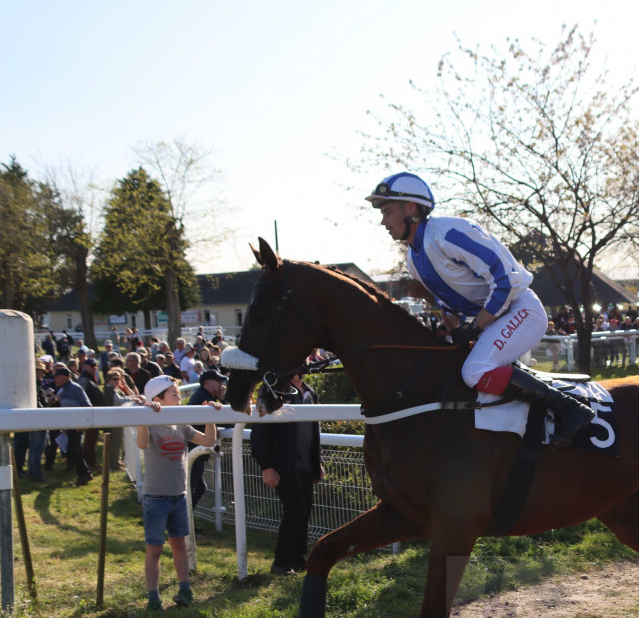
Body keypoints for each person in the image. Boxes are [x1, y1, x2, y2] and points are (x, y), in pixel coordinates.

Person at [368, 171, 594, 447]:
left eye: (387, 211)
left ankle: (569, 407)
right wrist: (453, 329)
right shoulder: (413, 260)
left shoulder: (449, 233)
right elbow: (447, 303)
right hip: (496, 319)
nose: (383, 221)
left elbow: (505, 280)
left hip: (521, 309)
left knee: (474, 372)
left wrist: (476, 326)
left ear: (411, 209)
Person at [136, 375, 221, 612]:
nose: (180, 398)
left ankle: (185, 589)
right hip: (156, 497)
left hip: (179, 495)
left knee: (179, 545)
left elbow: (208, 440)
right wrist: (144, 415)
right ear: (158, 399)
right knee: (154, 549)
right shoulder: (151, 423)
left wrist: (210, 417)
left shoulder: (182, 424)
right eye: (174, 395)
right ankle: (153, 597)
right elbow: (142, 443)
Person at [250, 372, 324, 575]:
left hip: (305, 465)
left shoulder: (310, 393)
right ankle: (281, 563)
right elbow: (259, 431)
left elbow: (314, 430)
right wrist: (266, 467)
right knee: (295, 510)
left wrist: (317, 463)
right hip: (283, 466)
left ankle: (298, 559)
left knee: (304, 512)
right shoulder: (271, 391)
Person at [186, 369, 227, 512]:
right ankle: (184, 520)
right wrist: (223, 400)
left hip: (195, 449)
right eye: (218, 381)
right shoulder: (204, 400)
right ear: (207, 383)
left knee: (198, 487)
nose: (222, 385)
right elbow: (229, 422)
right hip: (194, 450)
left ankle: (186, 519)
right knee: (192, 487)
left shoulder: (203, 396)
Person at [48, 365, 94, 484]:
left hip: (77, 425)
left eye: (57, 377)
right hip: (70, 425)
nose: (55, 380)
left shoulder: (75, 388)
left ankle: (85, 473)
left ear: (64, 377)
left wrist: (82, 424)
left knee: (72, 449)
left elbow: (87, 406)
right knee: (74, 449)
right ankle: (84, 473)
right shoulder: (63, 389)